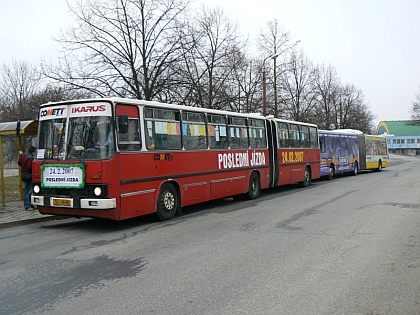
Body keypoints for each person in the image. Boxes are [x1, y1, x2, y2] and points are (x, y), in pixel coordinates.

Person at [18, 145, 37, 211]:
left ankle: (30, 204)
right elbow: (29, 167)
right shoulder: (31, 158)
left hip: (24, 174)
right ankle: (27, 205)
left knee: (28, 190)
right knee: (28, 191)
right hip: (29, 175)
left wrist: (21, 155)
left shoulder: (24, 156)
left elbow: (19, 163)